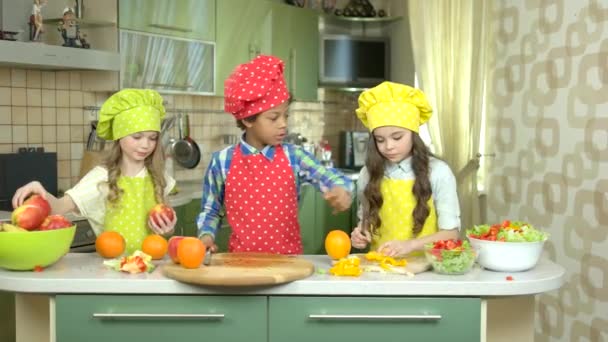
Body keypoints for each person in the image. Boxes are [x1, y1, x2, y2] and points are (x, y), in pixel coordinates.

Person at [197, 54, 352, 255]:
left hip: (289, 263)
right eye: (273, 118)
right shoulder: (222, 161)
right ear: (248, 120)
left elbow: (328, 176)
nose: (283, 124)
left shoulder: (294, 156)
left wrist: (341, 189)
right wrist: (206, 236)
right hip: (241, 264)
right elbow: (211, 210)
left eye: (285, 115)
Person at [12, 89, 177, 253]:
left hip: (152, 268)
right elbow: (58, 208)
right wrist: (38, 190)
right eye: (137, 137)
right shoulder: (101, 177)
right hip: (113, 270)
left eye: (152, 138)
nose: (145, 145)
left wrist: (168, 228)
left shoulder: (159, 176)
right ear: (119, 136)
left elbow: (168, 231)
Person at [350, 81, 461, 257]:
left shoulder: (439, 172)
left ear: (413, 134)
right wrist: (361, 232)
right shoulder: (368, 174)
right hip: (381, 267)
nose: (388, 146)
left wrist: (411, 245)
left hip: (427, 269)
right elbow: (366, 222)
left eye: (397, 137)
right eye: (380, 140)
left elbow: (451, 235)